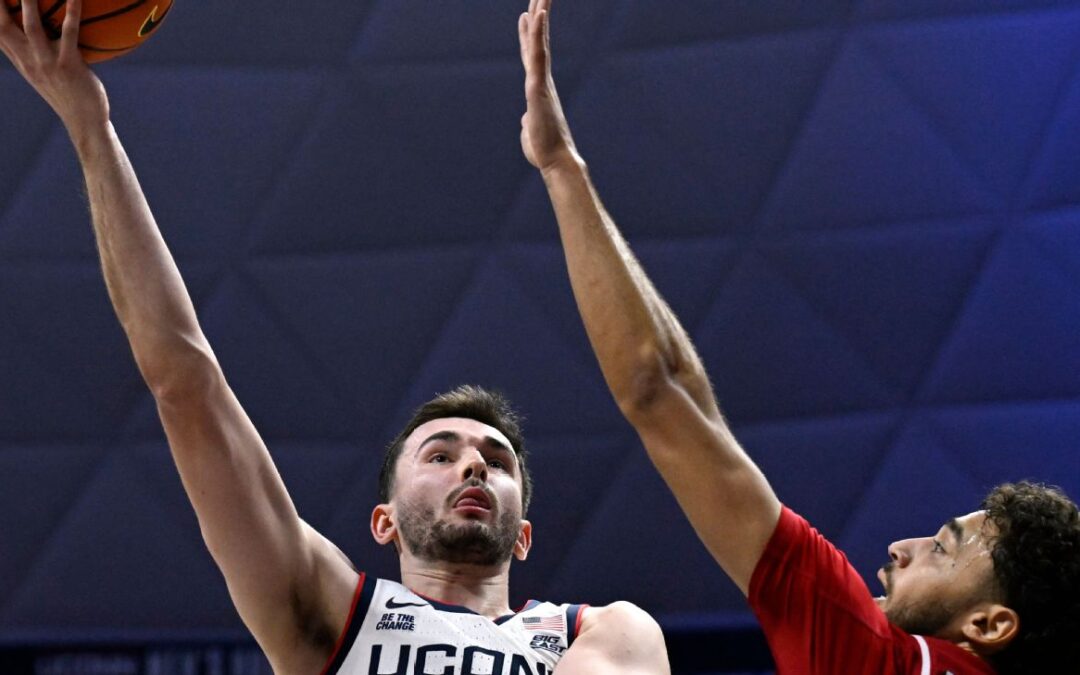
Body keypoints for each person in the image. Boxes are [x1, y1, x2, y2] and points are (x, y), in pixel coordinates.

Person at [0, 1, 671, 674]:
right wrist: (91, 129)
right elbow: (184, 379)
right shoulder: (330, 611)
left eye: (496, 461)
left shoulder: (607, 630)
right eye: (440, 454)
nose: (473, 466)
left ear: (523, 535)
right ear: (383, 522)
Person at [517, 0, 1080, 673]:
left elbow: (655, 391)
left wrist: (560, 167)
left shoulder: (878, 658)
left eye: (945, 546)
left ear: (989, 623)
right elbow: (685, 397)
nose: (902, 546)